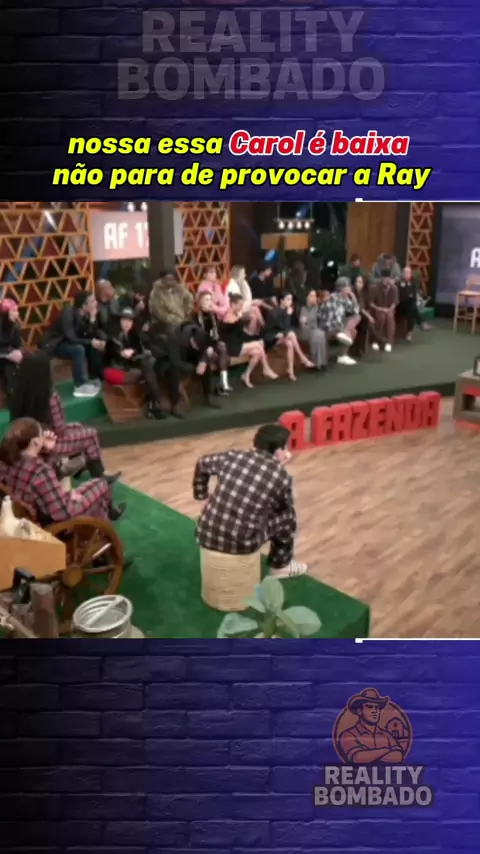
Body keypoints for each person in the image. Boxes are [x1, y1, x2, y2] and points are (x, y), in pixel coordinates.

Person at [193, 423, 307, 579]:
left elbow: (202, 463)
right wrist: (278, 467)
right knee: (288, 517)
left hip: (204, 533)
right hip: (242, 544)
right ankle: (280, 566)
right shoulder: (281, 476)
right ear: (279, 451)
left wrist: (202, 496)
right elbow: (282, 507)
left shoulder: (232, 456)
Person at [9, 351, 120, 482]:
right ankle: (100, 476)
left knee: (78, 426)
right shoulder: (50, 397)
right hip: (49, 442)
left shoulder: (18, 394)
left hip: (31, 440)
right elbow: (60, 429)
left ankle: (78, 468)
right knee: (91, 434)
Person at [0, 418, 125, 525]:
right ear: (35, 442)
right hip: (53, 523)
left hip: (25, 514)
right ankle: (107, 522)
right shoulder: (40, 471)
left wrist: (48, 449)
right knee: (101, 484)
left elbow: (45, 489)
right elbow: (64, 513)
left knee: (96, 500)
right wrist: (70, 497)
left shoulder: (6, 460)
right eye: (41, 434)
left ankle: (106, 519)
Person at [40, 291, 105, 398]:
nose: (95, 303)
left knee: (93, 345)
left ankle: (94, 377)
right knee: (79, 349)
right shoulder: (68, 313)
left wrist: (92, 319)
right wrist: (91, 342)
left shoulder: (84, 315)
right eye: (92, 301)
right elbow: (71, 338)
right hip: (55, 345)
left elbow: (88, 335)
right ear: (84, 305)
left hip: (67, 343)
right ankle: (79, 385)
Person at [103, 307, 165, 418]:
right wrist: (120, 352)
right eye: (125, 320)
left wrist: (133, 351)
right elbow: (109, 353)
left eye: (130, 321)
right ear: (120, 321)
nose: (127, 324)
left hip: (135, 363)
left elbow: (139, 349)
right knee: (147, 368)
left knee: (147, 367)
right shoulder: (114, 335)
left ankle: (153, 404)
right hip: (119, 365)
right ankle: (155, 402)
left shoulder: (134, 334)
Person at [154, 323, 222, 416]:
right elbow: (175, 361)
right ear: (192, 341)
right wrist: (194, 368)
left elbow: (205, 349)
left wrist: (203, 361)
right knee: (174, 371)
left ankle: (208, 395)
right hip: (167, 361)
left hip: (186, 357)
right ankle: (175, 404)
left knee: (206, 366)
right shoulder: (174, 339)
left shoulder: (200, 333)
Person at [220, 295, 278, 388]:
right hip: (232, 347)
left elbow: (240, 334)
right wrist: (253, 338)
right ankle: (266, 368)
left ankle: (246, 375)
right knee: (258, 344)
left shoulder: (235, 315)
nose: (241, 307)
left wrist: (253, 337)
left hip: (238, 342)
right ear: (233, 304)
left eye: (242, 304)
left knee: (257, 352)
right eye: (240, 305)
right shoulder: (230, 318)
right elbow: (236, 335)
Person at [338, 688, 404, 765]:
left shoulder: (386, 735)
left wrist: (369, 755)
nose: (374, 711)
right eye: (369, 707)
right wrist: (386, 750)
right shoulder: (348, 735)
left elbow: (399, 756)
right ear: (359, 711)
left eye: (377, 707)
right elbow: (357, 757)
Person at [263, 294, 315, 381]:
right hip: (271, 338)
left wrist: (288, 315)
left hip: (282, 335)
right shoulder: (274, 312)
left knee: (290, 343)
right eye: (287, 299)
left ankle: (290, 371)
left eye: (291, 300)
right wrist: (287, 315)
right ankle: (302, 358)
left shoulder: (287, 311)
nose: (290, 302)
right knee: (291, 334)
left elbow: (287, 328)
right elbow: (281, 327)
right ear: (281, 301)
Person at [317, 277, 361, 366]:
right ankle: (344, 333)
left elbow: (355, 311)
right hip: (327, 327)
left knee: (357, 319)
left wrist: (354, 298)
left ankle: (343, 356)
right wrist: (341, 329)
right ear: (342, 288)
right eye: (348, 287)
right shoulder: (332, 298)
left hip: (338, 326)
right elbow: (330, 319)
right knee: (351, 331)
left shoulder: (344, 298)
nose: (350, 289)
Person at [194, 292, 231, 395]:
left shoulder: (213, 315)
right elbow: (196, 338)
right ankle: (219, 386)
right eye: (206, 300)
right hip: (201, 346)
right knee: (221, 357)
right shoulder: (195, 316)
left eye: (210, 300)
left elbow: (216, 335)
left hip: (212, 343)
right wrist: (208, 347)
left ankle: (224, 383)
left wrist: (215, 343)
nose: (210, 302)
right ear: (200, 303)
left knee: (222, 347)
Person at [148, 270, 194, 334]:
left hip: (182, 319)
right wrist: (176, 320)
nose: (171, 282)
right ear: (162, 280)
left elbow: (189, 299)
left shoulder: (180, 288)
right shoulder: (156, 293)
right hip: (163, 323)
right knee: (178, 331)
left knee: (193, 329)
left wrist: (186, 312)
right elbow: (160, 313)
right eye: (168, 279)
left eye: (173, 279)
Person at [396, 265, 432, 341]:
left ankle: (409, 333)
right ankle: (421, 324)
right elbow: (402, 297)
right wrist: (410, 296)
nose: (407, 274)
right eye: (406, 273)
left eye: (409, 273)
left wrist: (411, 297)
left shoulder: (412, 282)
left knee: (412, 309)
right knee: (412, 307)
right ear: (403, 274)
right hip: (400, 306)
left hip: (409, 305)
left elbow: (414, 295)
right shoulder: (400, 283)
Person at [225, 265, 264, 334]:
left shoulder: (243, 282)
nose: (245, 275)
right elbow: (237, 303)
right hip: (235, 310)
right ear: (238, 274)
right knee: (254, 314)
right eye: (243, 273)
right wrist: (252, 302)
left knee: (256, 309)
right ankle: (257, 331)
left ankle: (258, 332)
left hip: (241, 308)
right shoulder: (232, 286)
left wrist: (251, 302)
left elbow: (247, 298)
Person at [298, 290, 329, 370]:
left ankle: (322, 362)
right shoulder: (303, 308)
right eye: (311, 296)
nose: (314, 298)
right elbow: (302, 324)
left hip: (315, 329)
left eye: (315, 296)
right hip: (305, 331)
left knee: (321, 333)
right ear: (307, 298)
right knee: (318, 334)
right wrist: (303, 322)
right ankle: (316, 362)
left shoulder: (317, 307)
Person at [0, 298, 24, 402]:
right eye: (13, 310)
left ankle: (18, 393)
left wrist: (17, 352)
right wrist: (7, 354)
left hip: (8, 354)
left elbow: (18, 345)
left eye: (17, 310)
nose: (17, 313)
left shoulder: (14, 326)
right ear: (5, 313)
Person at [368, 276, 398, 352]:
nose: (386, 280)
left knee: (390, 317)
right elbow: (371, 303)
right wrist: (380, 309)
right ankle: (376, 340)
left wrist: (389, 310)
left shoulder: (394, 288)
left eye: (388, 278)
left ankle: (389, 342)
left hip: (389, 309)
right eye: (384, 278)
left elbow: (394, 303)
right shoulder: (375, 287)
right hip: (377, 309)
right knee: (381, 318)